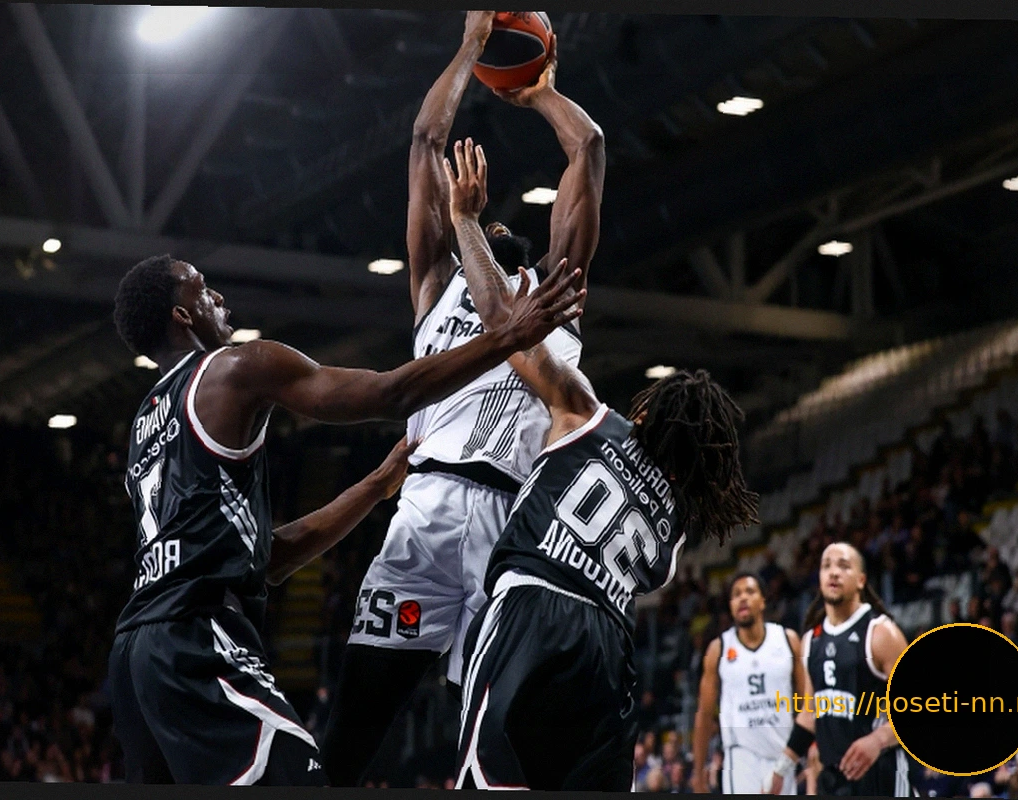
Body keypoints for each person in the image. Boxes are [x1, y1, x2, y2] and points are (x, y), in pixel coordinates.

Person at [106, 253, 581, 785]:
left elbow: (272, 560)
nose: (219, 298)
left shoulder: (145, 423)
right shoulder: (235, 368)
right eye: (202, 289)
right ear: (182, 315)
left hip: (133, 653)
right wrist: (509, 336)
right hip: (194, 635)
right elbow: (390, 393)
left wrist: (375, 486)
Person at [322, 9, 606, 787]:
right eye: (482, 221)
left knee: (489, 733)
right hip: (422, 517)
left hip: (507, 528)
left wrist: (539, 92)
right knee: (354, 724)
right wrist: (471, 46)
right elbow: (424, 142)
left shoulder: (554, 295)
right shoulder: (436, 284)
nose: (495, 220)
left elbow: (588, 147)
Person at [443, 138, 758, 790]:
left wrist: (465, 221)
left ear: (647, 412)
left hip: (533, 608)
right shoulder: (673, 526)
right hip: (608, 647)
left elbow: (501, 320)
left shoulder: (589, 414)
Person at [767, 542, 912, 796]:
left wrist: (877, 740)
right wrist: (781, 768)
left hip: (880, 776)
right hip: (832, 779)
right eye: (826, 566)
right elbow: (810, 713)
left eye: (844, 566)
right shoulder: (811, 640)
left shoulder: (880, 633)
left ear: (861, 580)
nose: (833, 572)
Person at [692, 572, 806, 794]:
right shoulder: (719, 649)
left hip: (783, 757)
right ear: (730, 606)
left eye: (750, 591)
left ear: (763, 601)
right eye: (736, 594)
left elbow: (806, 704)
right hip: (741, 757)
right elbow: (704, 715)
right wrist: (698, 774)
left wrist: (809, 750)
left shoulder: (788, 640)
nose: (742, 598)